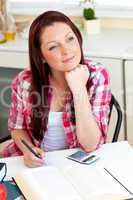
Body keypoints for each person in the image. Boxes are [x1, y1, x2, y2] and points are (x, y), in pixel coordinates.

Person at [2, 11, 111, 168]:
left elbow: (90, 145)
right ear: (41, 56)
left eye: (70, 39)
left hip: (75, 164)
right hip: (35, 164)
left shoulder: (97, 75)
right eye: (53, 47)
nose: (67, 51)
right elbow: (17, 128)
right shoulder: (24, 82)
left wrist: (79, 88)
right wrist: (29, 151)